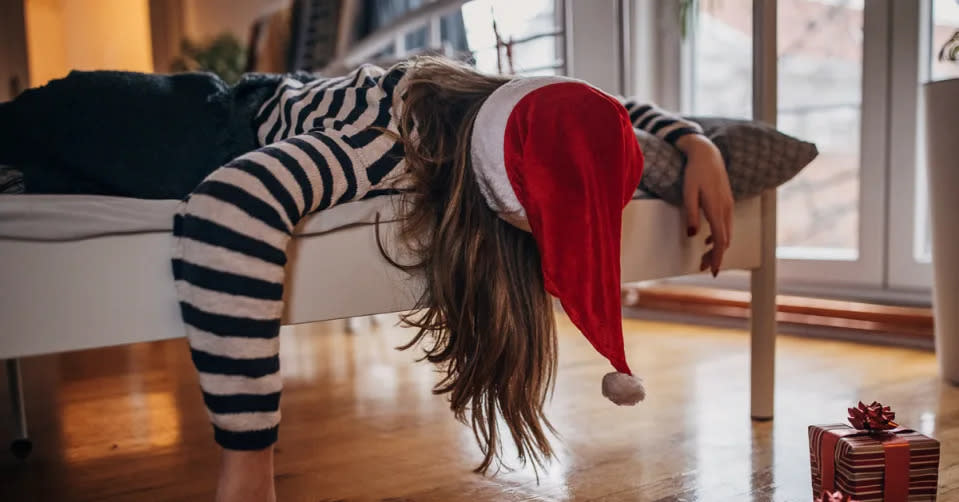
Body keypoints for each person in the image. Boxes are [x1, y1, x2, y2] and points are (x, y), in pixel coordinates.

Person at [0, 56, 733, 501]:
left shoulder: (479, 98)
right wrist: (249, 464)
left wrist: (692, 140)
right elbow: (225, 210)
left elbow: (598, 108)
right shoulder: (384, 148)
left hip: (215, 98)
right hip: (144, 125)